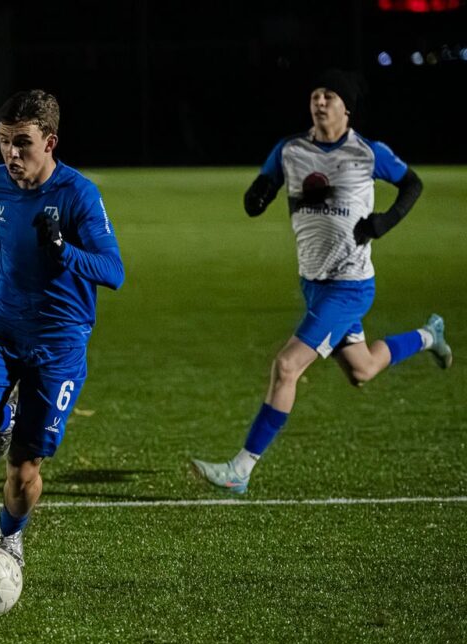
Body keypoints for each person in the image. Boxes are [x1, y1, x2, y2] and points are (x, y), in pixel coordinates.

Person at [192, 69, 452, 494]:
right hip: (313, 282)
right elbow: (261, 190)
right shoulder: (290, 150)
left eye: (330, 95)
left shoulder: (368, 152)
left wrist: (385, 221)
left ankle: (241, 469)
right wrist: (256, 197)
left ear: (346, 107)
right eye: (316, 94)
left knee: (287, 366)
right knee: (362, 369)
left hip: (349, 286)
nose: (320, 100)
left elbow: (412, 183)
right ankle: (428, 336)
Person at [0, 90, 125, 566]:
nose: (11, 153)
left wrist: (63, 250)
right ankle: (3, 417)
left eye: (22, 142)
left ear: (50, 142)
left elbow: (114, 271)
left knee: (23, 471)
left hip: (57, 347)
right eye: (4, 141)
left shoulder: (78, 194)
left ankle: (9, 537)